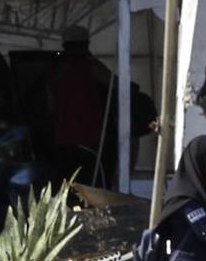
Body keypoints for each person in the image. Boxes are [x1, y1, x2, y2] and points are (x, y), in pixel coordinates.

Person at [38, 26, 157, 189]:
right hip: (90, 138)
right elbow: (115, 84)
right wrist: (133, 87)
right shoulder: (89, 65)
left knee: (69, 183)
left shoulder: (54, 70)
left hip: (63, 139)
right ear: (86, 43)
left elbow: (50, 108)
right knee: (94, 181)